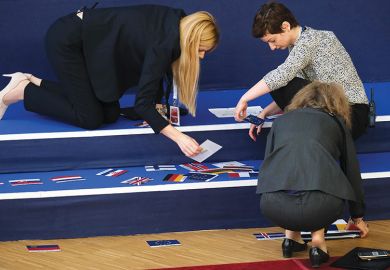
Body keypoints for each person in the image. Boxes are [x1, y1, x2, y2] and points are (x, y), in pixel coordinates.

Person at [0, 4, 219, 157]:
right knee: (90, 118)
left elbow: (158, 73)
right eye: (200, 50)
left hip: (89, 43)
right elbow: (143, 101)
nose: (201, 57)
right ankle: (23, 91)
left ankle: (36, 83)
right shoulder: (164, 42)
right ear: (191, 38)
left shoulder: (176, 23)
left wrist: (157, 108)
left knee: (110, 113)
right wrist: (179, 138)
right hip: (68, 41)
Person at [257, 81, 369, 268]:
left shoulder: (281, 121)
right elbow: (351, 171)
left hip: (272, 206)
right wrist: (357, 216)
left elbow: (270, 164)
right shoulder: (337, 123)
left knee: (297, 177)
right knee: (322, 183)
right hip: (320, 209)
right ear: (336, 103)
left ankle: (290, 239)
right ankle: (318, 244)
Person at [234, 2, 369, 140]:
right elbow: (300, 93)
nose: (272, 47)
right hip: (339, 110)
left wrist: (244, 98)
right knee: (283, 85)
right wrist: (264, 113)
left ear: (285, 26)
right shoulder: (299, 45)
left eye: (272, 40)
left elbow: (281, 77)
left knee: (280, 83)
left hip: (352, 115)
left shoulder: (310, 40)